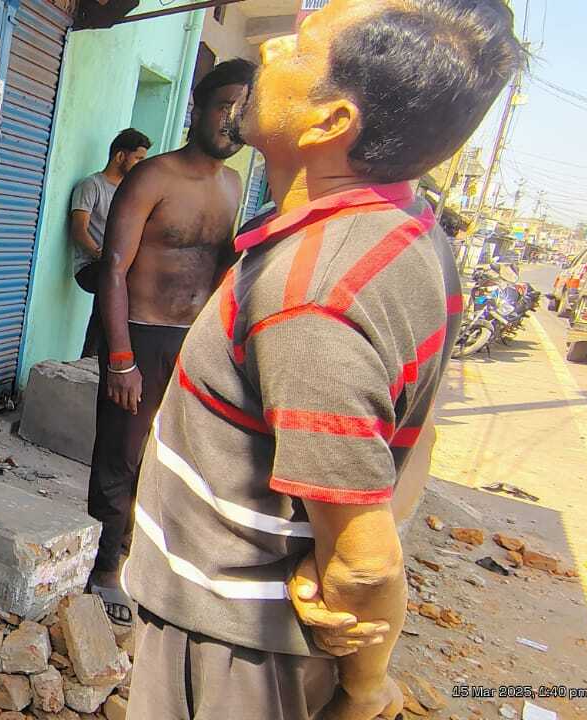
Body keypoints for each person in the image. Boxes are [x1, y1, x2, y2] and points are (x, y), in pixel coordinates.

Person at [122, 1, 522, 718]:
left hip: (232, 644)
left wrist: (367, 687)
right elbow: (414, 435)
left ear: (330, 121)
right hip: (251, 632)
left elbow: (363, 565)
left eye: (301, 47)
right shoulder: (409, 231)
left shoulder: (311, 299)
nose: (271, 49)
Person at [86, 59, 255, 623]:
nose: (232, 121)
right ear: (196, 109)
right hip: (142, 336)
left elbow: (220, 268)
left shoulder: (233, 185)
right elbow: (113, 269)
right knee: (121, 454)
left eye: (243, 110)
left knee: (171, 457)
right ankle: (105, 568)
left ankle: (141, 556)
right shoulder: (152, 177)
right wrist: (120, 359)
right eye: (224, 106)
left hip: (196, 342)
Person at [74, 129, 153, 359]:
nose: (141, 165)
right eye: (138, 158)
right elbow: (78, 230)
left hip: (118, 266)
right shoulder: (92, 185)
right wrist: (102, 255)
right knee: (112, 283)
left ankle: (113, 357)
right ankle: (90, 356)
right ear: (120, 156)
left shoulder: (131, 192)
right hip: (91, 265)